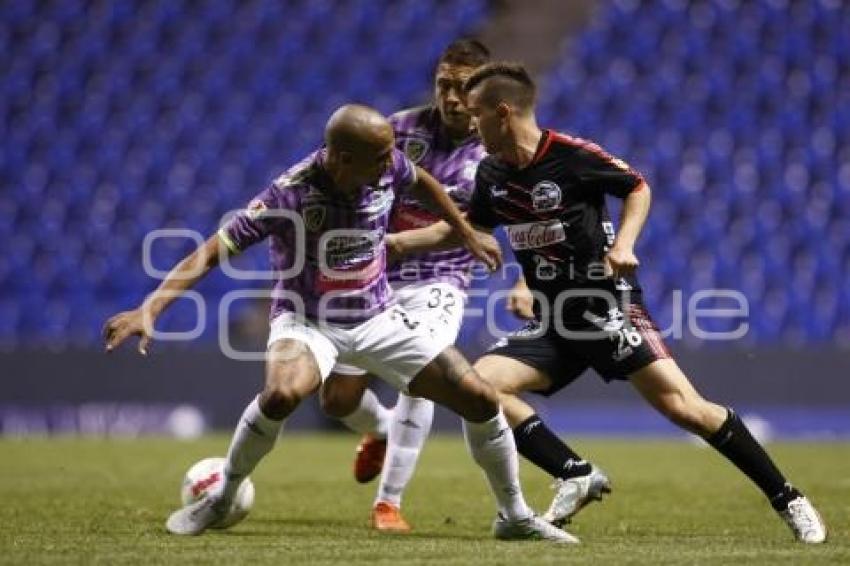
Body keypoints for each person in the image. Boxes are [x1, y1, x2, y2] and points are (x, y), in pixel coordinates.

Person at [389, 63, 828, 543]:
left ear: (503, 112)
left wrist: (624, 244)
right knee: (481, 387)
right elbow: (465, 226)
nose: (469, 124)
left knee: (687, 409)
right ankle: (575, 472)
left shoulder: (573, 156)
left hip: (603, 305)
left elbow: (637, 186)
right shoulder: (492, 173)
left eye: (476, 114)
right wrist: (397, 244)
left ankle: (789, 498)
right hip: (552, 317)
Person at [102, 103, 576, 543]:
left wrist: (466, 231)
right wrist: (152, 307)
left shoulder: (384, 162)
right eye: (379, 157)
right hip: (307, 320)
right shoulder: (289, 194)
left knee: (477, 395)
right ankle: (223, 496)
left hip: (378, 315)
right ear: (343, 159)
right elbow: (210, 251)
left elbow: (423, 183)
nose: (391, 163)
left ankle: (514, 515)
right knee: (282, 394)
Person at [317, 39, 505, 533]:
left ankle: (388, 503)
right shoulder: (397, 130)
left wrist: (396, 244)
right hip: (374, 278)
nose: (452, 97)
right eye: (444, 84)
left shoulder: (494, 154)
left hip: (440, 278)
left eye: (464, 87)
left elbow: (457, 227)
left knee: (419, 370)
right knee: (335, 400)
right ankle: (380, 430)